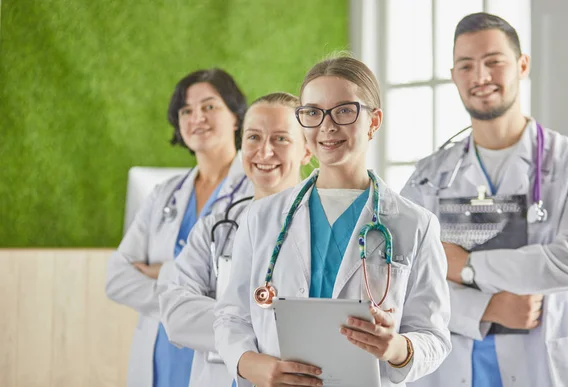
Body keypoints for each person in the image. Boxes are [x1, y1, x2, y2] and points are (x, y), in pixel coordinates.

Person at [214, 55, 451, 387]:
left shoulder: (415, 224)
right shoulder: (262, 217)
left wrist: (396, 347)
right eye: (312, 112)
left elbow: (434, 336)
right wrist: (252, 364)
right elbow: (231, 315)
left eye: (344, 111)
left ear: (374, 121)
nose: (326, 126)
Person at [401, 12, 568, 387]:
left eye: (494, 62)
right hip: (451, 368)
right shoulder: (429, 175)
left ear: (522, 65)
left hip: (545, 369)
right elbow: (405, 283)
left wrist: (466, 266)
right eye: (466, 65)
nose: (480, 77)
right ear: (454, 74)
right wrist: (487, 308)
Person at [105, 68, 252, 387]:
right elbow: (116, 277)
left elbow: (242, 285)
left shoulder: (256, 192)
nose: (196, 117)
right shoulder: (163, 194)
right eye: (186, 110)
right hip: (159, 351)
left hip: (218, 354)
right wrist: (182, 300)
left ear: (236, 117)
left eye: (209, 106)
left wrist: (163, 271)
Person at [159, 92, 313, 386]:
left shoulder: (320, 229)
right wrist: (258, 330)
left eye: (281, 139)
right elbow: (176, 314)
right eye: (253, 137)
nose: (264, 152)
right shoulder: (214, 228)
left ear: (306, 151)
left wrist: (234, 321)